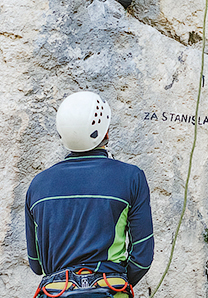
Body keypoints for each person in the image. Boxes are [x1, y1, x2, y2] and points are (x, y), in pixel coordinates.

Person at [25, 91, 154, 296]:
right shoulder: (131, 178)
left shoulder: (38, 186)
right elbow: (142, 257)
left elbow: (36, 264)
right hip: (110, 289)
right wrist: (113, 279)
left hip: (56, 292)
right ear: (106, 133)